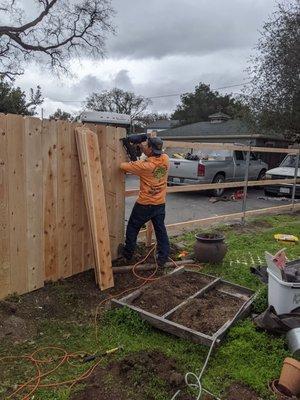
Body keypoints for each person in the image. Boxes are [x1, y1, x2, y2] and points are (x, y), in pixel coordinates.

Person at [120, 135, 170, 266]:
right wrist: (143, 145)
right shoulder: (165, 159)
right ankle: (163, 258)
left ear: (150, 149)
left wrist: (134, 147)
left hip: (145, 204)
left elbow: (123, 166)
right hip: (160, 203)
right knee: (160, 230)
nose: (144, 146)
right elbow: (150, 155)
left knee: (132, 228)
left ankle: (128, 254)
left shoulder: (144, 166)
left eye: (146, 145)